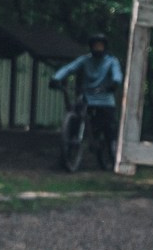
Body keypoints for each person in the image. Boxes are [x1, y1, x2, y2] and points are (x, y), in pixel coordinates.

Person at [53, 34, 124, 163]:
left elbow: (117, 75)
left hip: (105, 99)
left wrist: (113, 84)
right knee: (74, 118)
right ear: (91, 47)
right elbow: (69, 68)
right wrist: (56, 78)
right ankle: (68, 150)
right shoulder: (85, 60)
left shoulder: (112, 61)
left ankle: (113, 152)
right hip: (87, 97)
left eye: (100, 46)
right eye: (95, 46)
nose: (98, 48)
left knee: (109, 127)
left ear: (105, 47)